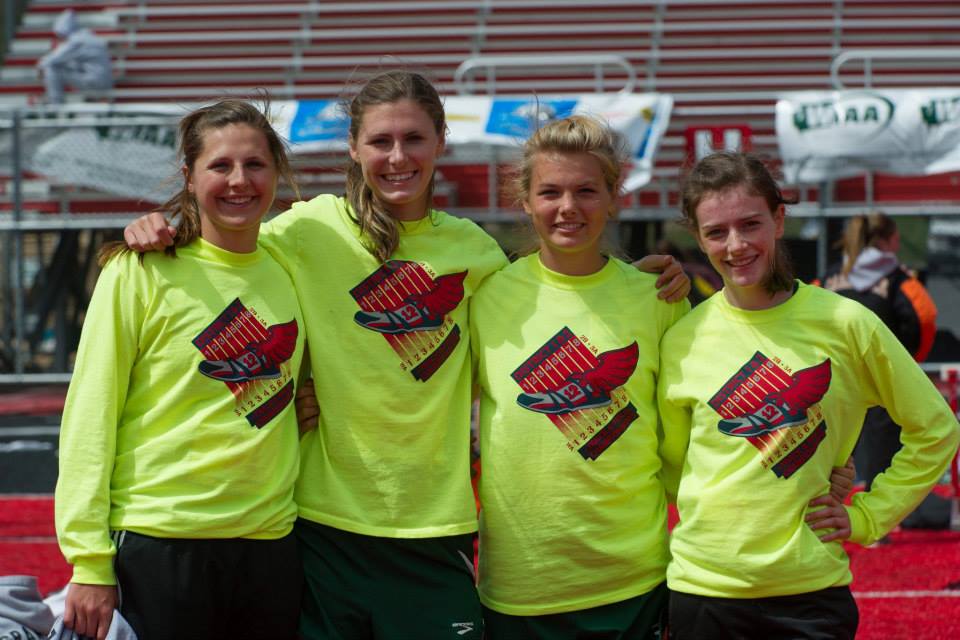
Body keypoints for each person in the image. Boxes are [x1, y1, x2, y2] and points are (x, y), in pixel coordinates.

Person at [124, 71, 690, 640]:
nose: (398, 157)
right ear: (352, 147)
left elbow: (556, 295)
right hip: (324, 525)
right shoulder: (304, 232)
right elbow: (226, 251)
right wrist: (163, 226)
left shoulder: (479, 257)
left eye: (414, 139)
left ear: (441, 141)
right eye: (380, 141)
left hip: (436, 528)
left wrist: (633, 283)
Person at [657, 152, 960, 639]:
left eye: (750, 224)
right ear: (697, 237)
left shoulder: (847, 322)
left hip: (810, 594)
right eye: (716, 232)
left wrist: (868, 515)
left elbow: (936, 428)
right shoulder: (681, 338)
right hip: (703, 592)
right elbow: (674, 467)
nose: (735, 246)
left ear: (779, 219)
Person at [56, 99, 306, 640]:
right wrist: (88, 561)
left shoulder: (293, 267)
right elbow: (89, 416)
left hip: (271, 545)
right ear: (188, 176)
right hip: (160, 542)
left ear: (277, 173)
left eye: (255, 165)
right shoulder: (139, 270)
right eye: (220, 166)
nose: (239, 181)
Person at [469, 115, 688, 638]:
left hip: (632, 580)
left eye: (587, 191)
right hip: (521, 585)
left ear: (614, 196)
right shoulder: (484, 295)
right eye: (550, 192)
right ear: (525, 200)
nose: (568, 208)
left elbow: (688, 434)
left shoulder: (657, 298)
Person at [822, 212, 938, 491]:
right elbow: (923, 318)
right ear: (888, 241)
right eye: (897, 239)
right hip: (882, 378)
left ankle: (819, 510)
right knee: (882, 449)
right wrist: (908, 362)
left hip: (831, 376)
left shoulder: (830, 275)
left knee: (829, 446)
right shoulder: (899, 279)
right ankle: (877, 523)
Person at [36, 9, 113, 105]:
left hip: (95, 83)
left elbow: (53, 59)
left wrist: (40, 66)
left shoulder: (77, 40)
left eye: (60, 35)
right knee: (64, 65)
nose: (61, 39)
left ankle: (55, 105)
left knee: (52, 68)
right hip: (101, 81)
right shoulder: (87, 36)